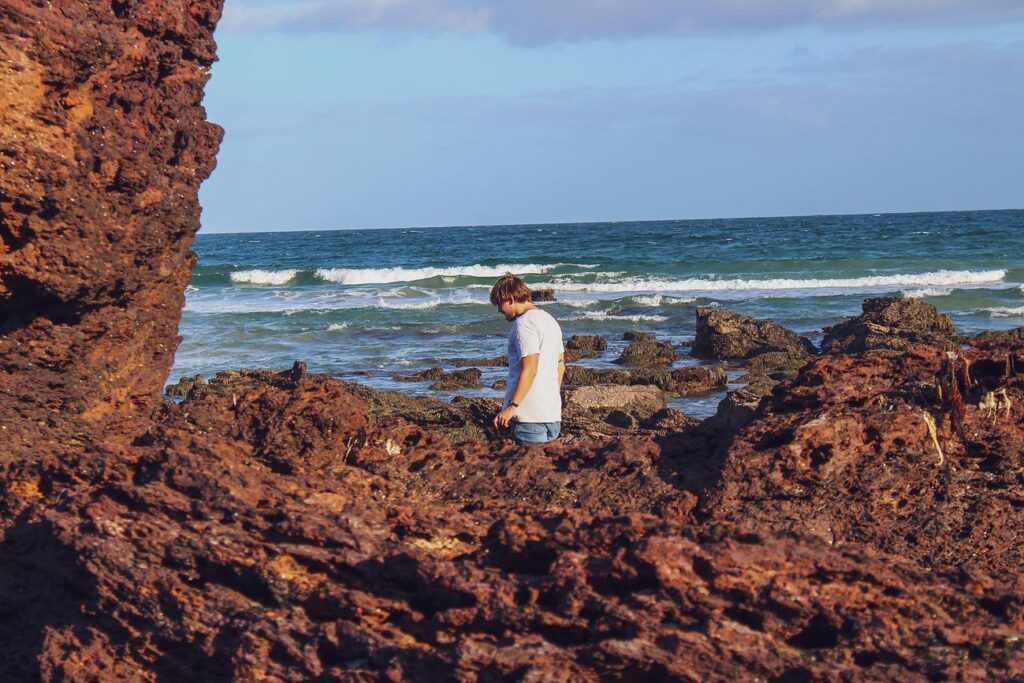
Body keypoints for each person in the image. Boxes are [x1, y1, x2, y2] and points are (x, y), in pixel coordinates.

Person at [490, 273, 565, 444]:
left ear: (510, 298)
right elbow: (560, 366)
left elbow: (530, 367)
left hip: (528, 417)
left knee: (530, 469)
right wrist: (549, 398)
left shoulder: (524, 323)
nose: (499, 309)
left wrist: (512, 407)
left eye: (499, 303)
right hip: (551, 414)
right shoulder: (550, 321)